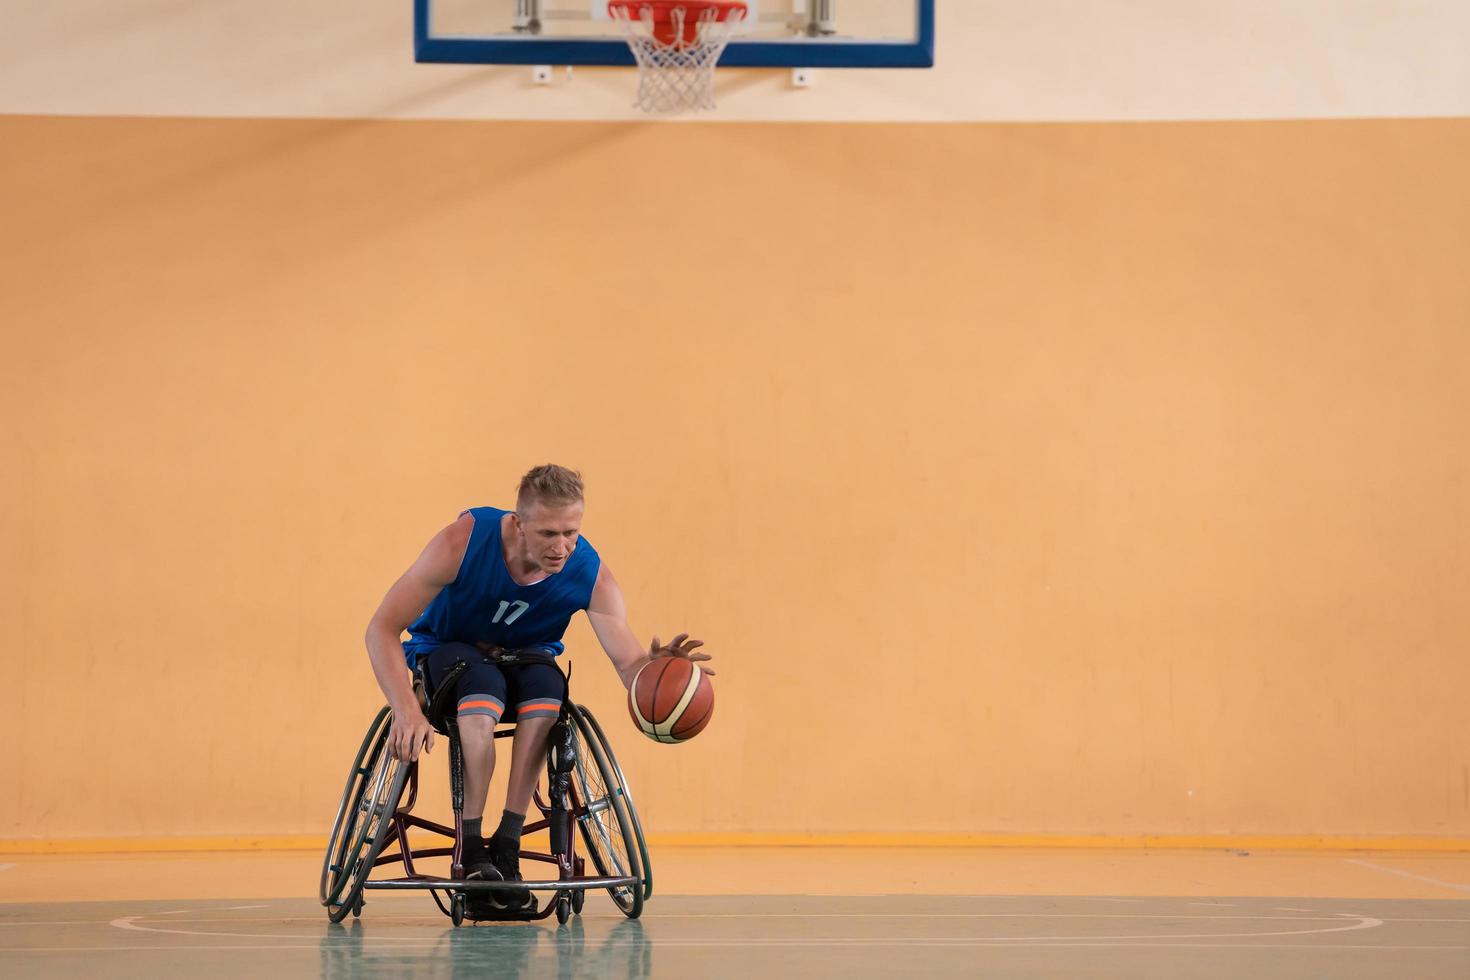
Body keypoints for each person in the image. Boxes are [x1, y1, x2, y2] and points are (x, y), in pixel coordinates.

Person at [363, 464, 712, 912]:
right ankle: (471, 849)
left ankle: (507, 846)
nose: (562, 546)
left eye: (571, 531)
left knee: (549, 686)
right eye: (548, 533)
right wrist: (405, 708)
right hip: (448, 651)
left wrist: (658, 673)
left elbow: (628, 664)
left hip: (525, 658)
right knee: (481, 685)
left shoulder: (589, 572)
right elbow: (381, 629)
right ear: (518, 522)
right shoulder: (462, 542)